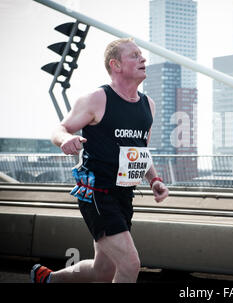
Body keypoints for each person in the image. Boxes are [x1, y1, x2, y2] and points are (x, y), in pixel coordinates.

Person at [30, 37, 169, 283]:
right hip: (96, 191)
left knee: (103, 270)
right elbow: (60, 128)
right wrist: (64, 140)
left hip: (124, 194)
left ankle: (48, 279)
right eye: (135, 55)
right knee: (130, 264)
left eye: (141, 55)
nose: (143, 59)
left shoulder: (149, 105)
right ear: (115, 65)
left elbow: (141, 152)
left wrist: (154, 179)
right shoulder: (97, 99)